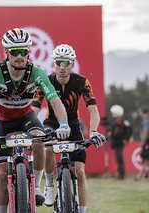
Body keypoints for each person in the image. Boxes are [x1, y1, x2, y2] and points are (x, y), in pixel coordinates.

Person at [0, 28, 70, 213]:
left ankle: (36, 186)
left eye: (24, 51)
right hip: (2, 122)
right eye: (15, 52)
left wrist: (64, 124)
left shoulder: (36, 72)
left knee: (39, 139)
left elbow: (54, 100)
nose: (20, 56)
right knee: (1, 174)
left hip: (26, 118)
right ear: (6, 53)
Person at [32, 44, 106, 213]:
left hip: (73, 125)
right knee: (49, 149)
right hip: (51, 123)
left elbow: (93, 110)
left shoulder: (82, 82)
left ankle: (82, 210)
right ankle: (50, 185)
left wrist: (94, 131)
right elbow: (34, 107)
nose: (62, 67)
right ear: (54, 64)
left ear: (73, 64)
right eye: (58, 62)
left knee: (80, 172)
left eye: (66, 63)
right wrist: (30, 126)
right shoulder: (46, 80)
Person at [107, 105, 132, 180]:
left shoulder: (123, 123)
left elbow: (129, 131)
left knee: (119, 159)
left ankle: (121, 175)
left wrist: (125, 138)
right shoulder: (116, 123)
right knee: (118, 159)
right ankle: (120, 175)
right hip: (116, 143)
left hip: (119, 143)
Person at [135, 107, 149, 181]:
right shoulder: (145, 120)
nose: (139, 114)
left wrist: (142, 143)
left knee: (145, 158)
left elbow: (146, 132)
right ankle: (143, 175)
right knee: (146, 159)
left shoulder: (146, 120)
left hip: (147, 142)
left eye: (140, 112)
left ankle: (139, 176)